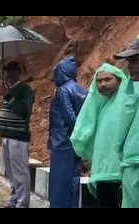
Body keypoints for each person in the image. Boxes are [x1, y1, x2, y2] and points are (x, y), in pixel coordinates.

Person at [70, 63, 136, 208]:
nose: (103, 84)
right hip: (102, 174)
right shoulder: (98, 106)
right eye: (99, 81)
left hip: (124, 173)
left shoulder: (129, 102)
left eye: (107, 79)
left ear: (119, 80)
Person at [48, 56, 88, 208]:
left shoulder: (63, 90)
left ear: (61, 71)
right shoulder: (81, 90)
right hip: (74, 146)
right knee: (72, 184)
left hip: (61, 144)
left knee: (59, 188)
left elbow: (70, 118)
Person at [0, 61, 35, 208]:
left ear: (16, 72)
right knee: (11, 172)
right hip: (6, 137)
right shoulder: (10, 89)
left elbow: (24, 110)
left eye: (9, 71)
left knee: (20, 172)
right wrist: (7, 95)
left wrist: (8, 96)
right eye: (5, 71)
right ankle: (14, 199)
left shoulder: (25, 89)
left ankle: (22, 203)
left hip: (18, 137)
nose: (6, 74)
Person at [113, 35, 139, 208]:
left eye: (135, 60)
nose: (130, 65)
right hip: (131, 162)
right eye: (129, 60)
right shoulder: (131, 91)